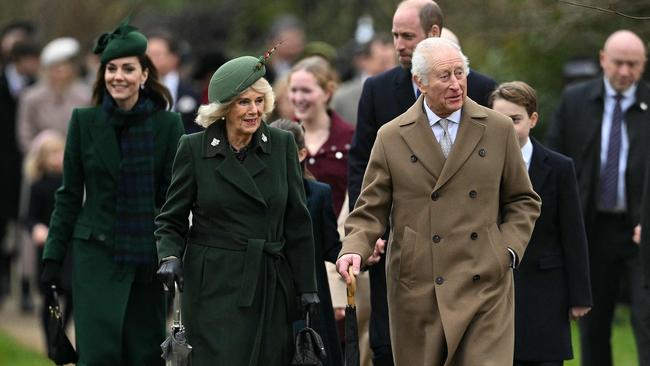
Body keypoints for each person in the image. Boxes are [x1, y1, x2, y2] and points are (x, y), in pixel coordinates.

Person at [337, 37, 541, 365]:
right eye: (444, 76)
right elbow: (370, 208)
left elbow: (523, 199)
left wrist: (506, 250)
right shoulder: (392, 136)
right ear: (420, 82)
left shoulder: (497, 128)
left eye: (460, 73)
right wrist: (353, 248)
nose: (456, 84)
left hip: (484, 282)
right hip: (418, 288)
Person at [346, 2, 497, 364]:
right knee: (394, 347)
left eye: (406, 36)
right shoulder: (379, 92)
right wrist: (369, 235)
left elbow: (511, 186)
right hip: (406, 246)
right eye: (395, 35)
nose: (397, 44)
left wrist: (503, 248)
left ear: (433, 33)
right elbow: (364, 171)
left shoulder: (482, 90)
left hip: (472, 257)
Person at [155, 53, 318, 366]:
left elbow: (298, 223)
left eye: (259, 101)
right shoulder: (193, 148)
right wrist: (170, 256)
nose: (254, 110)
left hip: (268, 283)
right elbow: (170, 219)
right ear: (224, 107)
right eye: (244, 102)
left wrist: (306, 286)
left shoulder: (282, 145)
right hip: (211, 285)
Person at [40, 17, 184, 365]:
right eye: (111, 68)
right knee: (98, 355)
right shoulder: (84, 122)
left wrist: (174, 253)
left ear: (144, 74)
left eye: (128, 68)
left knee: (144, 355)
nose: (118, 76)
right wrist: (52, 256)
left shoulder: (168, 125)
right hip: (95, 257)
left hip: (146, 260)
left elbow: (172, 200)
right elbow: (69, 195)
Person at [546, 29, 650, 366]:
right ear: (603, 59)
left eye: (633, 65)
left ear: (643, 65)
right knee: (593, 327)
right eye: (618, 62)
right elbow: (553, 167)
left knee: (646, 322)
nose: (624, 72)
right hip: (591, 230)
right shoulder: (575, 102)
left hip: (641, 232)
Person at [489, 81, 593, 366]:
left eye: (515, 120)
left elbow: (573, 233)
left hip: (545, 288)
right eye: (500, 120)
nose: (507, 128)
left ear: (532, 120)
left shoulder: (559, 167)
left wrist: (579, 295)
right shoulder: (479, 166)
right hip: (493, 287)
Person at [270, 118, 343, 366]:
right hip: (268, 297)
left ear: (301, 154)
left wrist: (358, 254)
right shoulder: (255, 195)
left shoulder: (319, 194)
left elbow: (331, 246)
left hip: (309, 298)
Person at [23, 130, 72, 353]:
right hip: (46, 250)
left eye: (60, 152)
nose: (57, 157)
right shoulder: (37, 186)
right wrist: (37, 229)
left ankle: (62, 330)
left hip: (70, 250)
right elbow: (28, 217)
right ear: (41, 158)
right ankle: (50, 342)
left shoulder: (71, 184)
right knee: (49, 297)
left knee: (71, 293)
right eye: (51, 153)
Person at [0, 40, 40, 307]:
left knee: (25, 227)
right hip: (2, 169)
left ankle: (25, 287)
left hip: (27, 170)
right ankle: (3, 279)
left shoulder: (33, 87)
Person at [288, 56, 354, 216]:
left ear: (327, 93)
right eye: (294, 90)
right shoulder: (280, 136)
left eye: (306, 91)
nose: (298, 98)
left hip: (337, 235)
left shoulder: (350, 138)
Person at [17, 37, 91, 154]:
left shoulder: (86, 95)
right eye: (55, 66)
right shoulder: (31, 97)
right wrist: (42, 156)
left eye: (64, 65)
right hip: (42, 163)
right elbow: (25, 135)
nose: (59, 70)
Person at [330, 33, 396, 126]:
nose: (390, 69)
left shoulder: (407, 91)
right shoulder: (342, 97)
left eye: (392, 61)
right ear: (364, 61)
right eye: (382, 61)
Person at [147, 29, 202, 134]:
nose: (150, 60)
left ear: (174, 58)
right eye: (147, 54)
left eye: (157, 55)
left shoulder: (191, 92)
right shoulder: (135, 89)